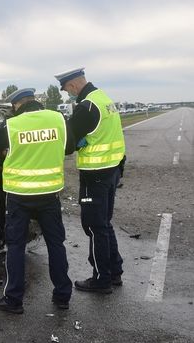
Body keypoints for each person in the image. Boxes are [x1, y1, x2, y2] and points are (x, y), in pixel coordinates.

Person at [0, 88, 73, 314]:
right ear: (35, 101)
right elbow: (70, 146)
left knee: (15, 246)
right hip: (49, 194)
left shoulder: (13, 124)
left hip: (19, 196)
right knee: (56, 244)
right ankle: (63, 295)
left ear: (17, 105)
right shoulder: (58, 119)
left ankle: (14, 300)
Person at [54, 67, 125, 294]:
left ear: (73, 84)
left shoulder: (86, 107)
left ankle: (101, 279)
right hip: (112, 169)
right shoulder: (103, 98)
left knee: (94, 227)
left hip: (95, 173)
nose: (67, 94)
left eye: (66, 90)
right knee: (104, 223)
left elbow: (69, 144)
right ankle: (114, 271)